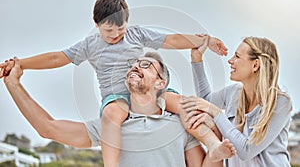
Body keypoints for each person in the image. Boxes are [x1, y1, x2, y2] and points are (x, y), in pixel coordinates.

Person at [0, 0, 228, 166]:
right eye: (109, 30)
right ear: (97, 25)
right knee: (111, 115)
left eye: (120, 28)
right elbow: (55, 58)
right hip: (116, 97)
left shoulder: (136, 34)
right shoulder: (91, 45)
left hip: (149, 96)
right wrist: (22, 64)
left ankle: (213, 144)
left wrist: (202, 41)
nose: (116, 35)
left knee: (186, 105)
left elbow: (172, 39)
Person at [3, 53, 235, 167]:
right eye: (134, 64)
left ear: (160, 83)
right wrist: (13, 84)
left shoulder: (179, 126)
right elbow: (48, 128)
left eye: (146, 65)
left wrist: (216, 153)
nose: (136, 66)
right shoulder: (109, 126)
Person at [181, 37, 292, 167]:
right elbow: (205, 101)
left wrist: (217, 113)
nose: (230, 60)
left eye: (237, 56)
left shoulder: (280, 103)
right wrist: (197, 58)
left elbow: (246, 151)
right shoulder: (233, 92)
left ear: (255, 65)